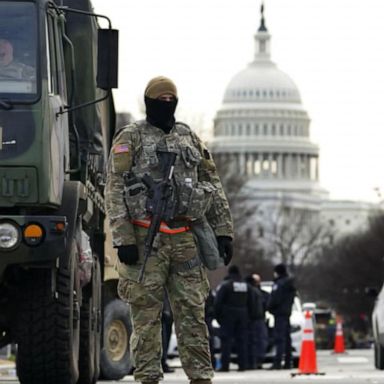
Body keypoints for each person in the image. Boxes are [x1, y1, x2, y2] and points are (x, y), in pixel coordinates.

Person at [105, 76, 234, 384]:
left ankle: (200, 377)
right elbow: (115, 189)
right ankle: (147, 377)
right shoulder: (131, 137)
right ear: (148, 102)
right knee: (146, 317)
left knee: (192, 313)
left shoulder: (188, 138)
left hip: (185, 239)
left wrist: (223, 231)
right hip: (144, 240)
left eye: (170, 100)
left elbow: (212, 184)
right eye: (159, 100)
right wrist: (123, 239)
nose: (166, 105)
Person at [214, 265, 251, 372]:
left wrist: (218, 317)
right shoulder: (245, 285)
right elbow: (251, 302)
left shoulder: (225, 285)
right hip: (243, 315)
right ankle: (242, 365)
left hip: (228, 316)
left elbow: (217, 303)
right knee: (242, 341)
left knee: (226, 341)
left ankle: (225, 366)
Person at [267, 263, 296, 370]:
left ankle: (277, 362)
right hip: (287, 313)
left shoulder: (279, 284)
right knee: (287, 339)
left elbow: (274, 299)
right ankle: (288, 362)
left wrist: (269, 308)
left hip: (279, 314)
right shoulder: (289, 283)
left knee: (279, 339)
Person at [245, 274, 269, 369]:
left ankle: (255, 361)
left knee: (255, 341)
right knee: (258, 341)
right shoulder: (257, 292)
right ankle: (256, 361)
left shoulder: (254, 291)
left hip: (255, 320)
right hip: (258, 319)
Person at [161, 292, 174, 373]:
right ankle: (162, 362)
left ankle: (163, 362)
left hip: (166, 311)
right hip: (164, 311)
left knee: (165, 338)